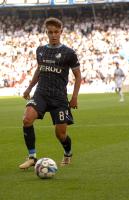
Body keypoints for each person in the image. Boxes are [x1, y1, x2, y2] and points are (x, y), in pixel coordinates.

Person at [19, 17, 81, 169]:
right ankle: (32, 157)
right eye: (50, 32)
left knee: (60, 134)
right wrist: (29, 87)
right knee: (27, 119)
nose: (53, 35)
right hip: (41, 93)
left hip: (59, 97)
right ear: (46, 32)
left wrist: (74, 97)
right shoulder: (41, 50)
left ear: (61, 32)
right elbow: (39, 70)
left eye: (56, 32)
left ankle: (67, 153)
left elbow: (78, 76)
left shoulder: (69, 53)